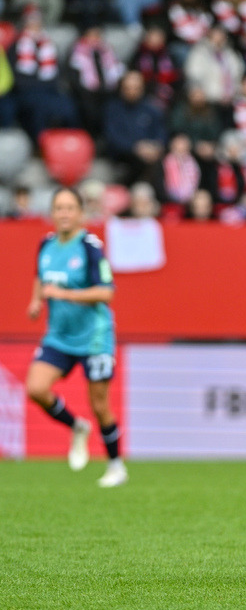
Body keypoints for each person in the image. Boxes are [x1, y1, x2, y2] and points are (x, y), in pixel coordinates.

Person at [25, 188, 126, 488]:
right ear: (52, 212)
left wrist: (64, 294)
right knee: (36, 388)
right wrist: (35, 301)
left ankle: (116, 465)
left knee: (99, 404)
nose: (64, 213)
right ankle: (76, 426)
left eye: (70, 207)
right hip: (59, 337)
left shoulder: (90, 247)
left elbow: (107, 292)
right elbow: (39, 277)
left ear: (81, 212)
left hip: (94, 337)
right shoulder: (46, 244)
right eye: (59, 207)